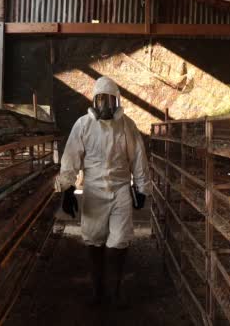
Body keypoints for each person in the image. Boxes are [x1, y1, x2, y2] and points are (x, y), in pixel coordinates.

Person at [56, 76, 151, 306]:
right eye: (101, 100)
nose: (105, 106)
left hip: (120, 190)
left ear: (116, 101)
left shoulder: (127, 126)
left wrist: (141, 188)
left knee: (119, 240)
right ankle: (97, 290)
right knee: (93, 239)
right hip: (93, 191)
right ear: (94, 101)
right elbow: (71, 158)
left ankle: (115, 291)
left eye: (109, 101)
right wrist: (67, 189)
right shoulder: (83, 125)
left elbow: (138, 157)